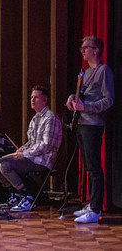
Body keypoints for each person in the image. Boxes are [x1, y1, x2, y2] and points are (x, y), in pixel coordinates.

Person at [0, 85, 62, 213]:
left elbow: (46, 145)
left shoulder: (50, 118)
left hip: (41, 160)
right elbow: (31, 142)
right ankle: (15, 195)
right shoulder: (35, 119)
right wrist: (21, 150)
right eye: (31, 97)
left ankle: (27, 197)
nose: (32, 100)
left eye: (36, 97)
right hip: (31, 156)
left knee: (6, 166)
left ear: (45, 100)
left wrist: (26, 153)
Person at [70, 36, 113, 223]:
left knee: (94, 167)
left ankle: (95, 210)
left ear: (95, 50)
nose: (82, 51)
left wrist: (85, 107)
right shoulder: (86, 72)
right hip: (82, 123)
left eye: (85, 47)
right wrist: (73, 97)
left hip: (93, 124)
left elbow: (108, 99)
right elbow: (83, 96)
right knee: (88, 166)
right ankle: (90, 204)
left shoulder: (104, 71)